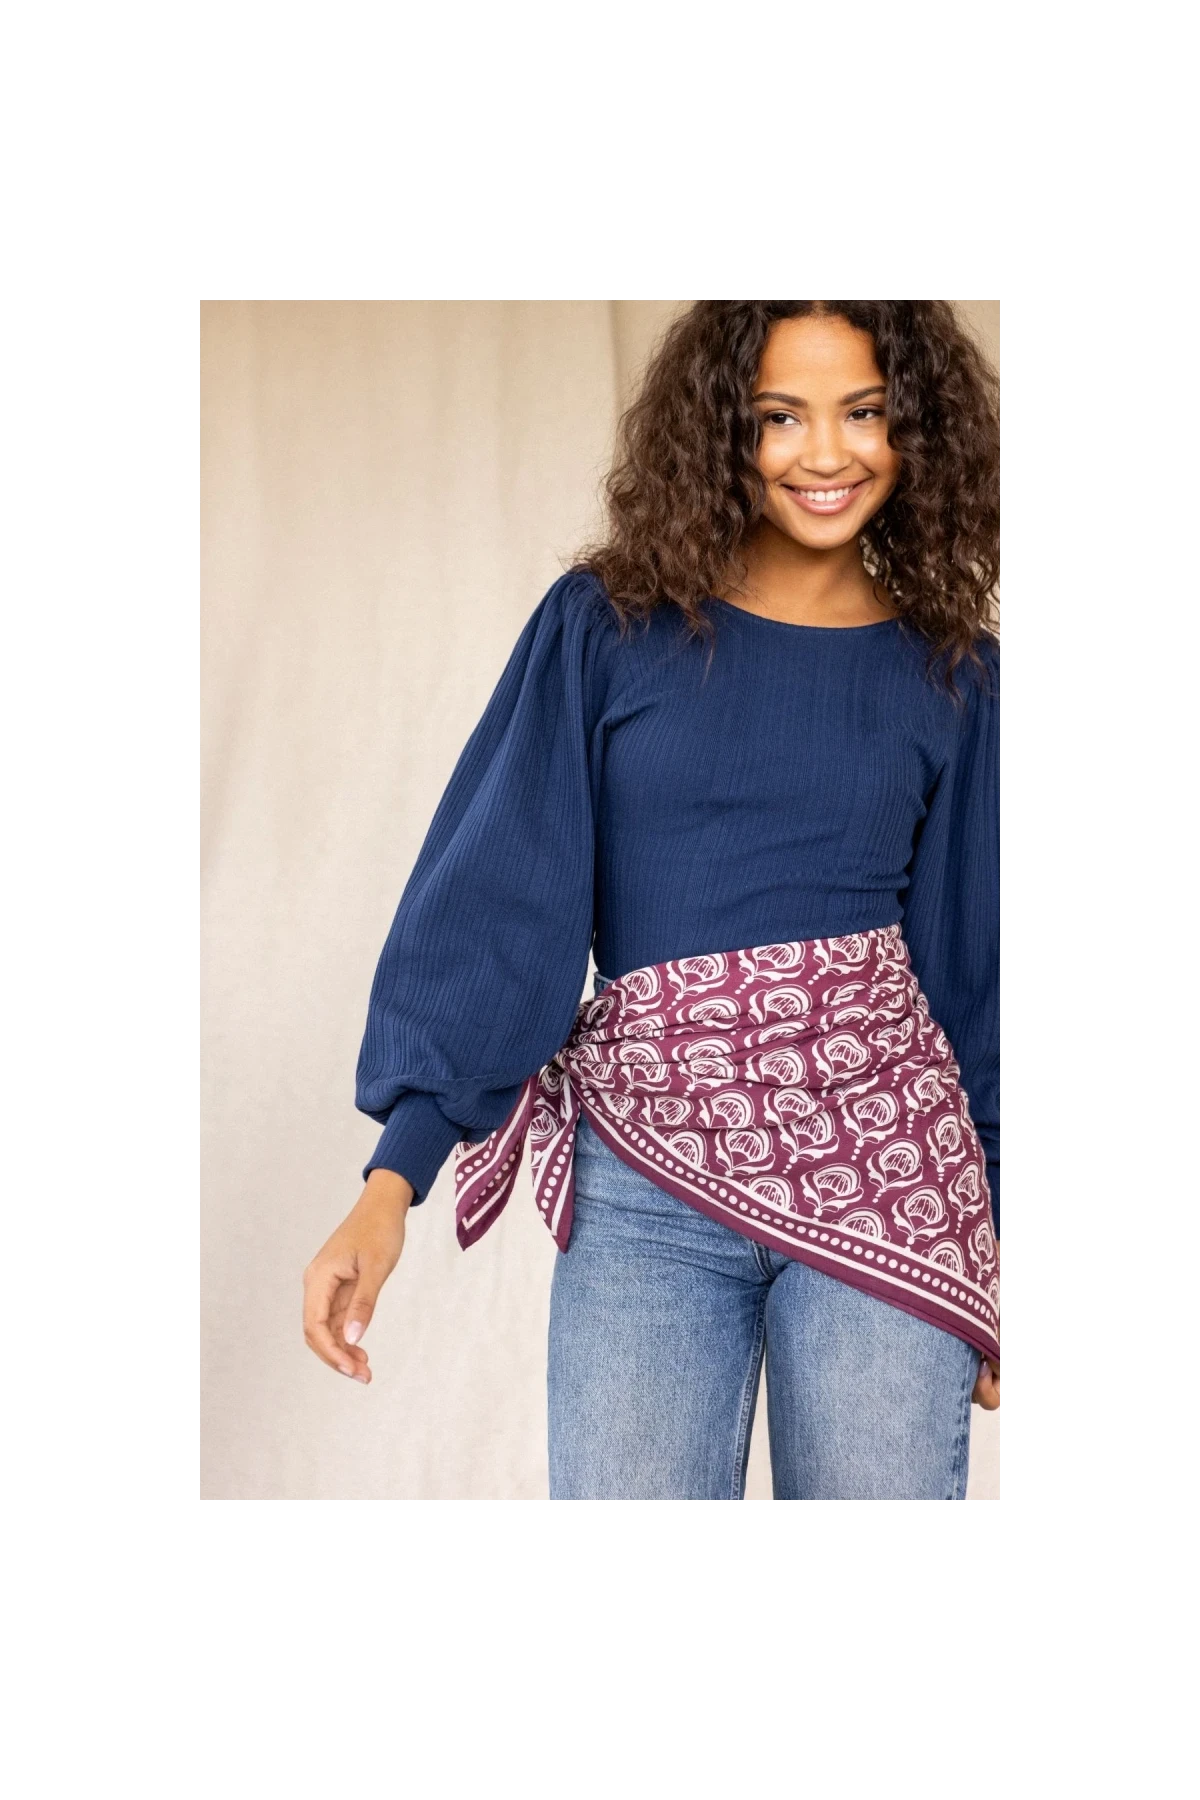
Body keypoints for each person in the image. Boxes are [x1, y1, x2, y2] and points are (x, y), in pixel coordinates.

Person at [302, 297, 1000, 1503]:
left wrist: (1010, 1230)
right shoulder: (607, 629)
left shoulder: (957, 676)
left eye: (864, 412)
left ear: (917, 430)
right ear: (726, 426)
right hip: (647, 1186)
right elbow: (499, 905)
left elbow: (981, 978)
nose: (825, 453)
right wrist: (391, 1183)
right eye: (781, 416)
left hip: (893, 1177)